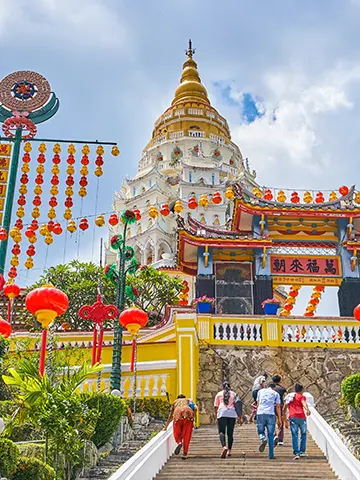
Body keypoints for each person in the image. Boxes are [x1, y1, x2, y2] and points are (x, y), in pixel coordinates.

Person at [214, 381, 243, 458]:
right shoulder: (234, 394)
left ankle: (224, 447)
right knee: (230, 433)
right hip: (232, 414)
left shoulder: (218, 394)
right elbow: (238, 405)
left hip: (222, 413)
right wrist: (240, 417)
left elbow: (216, 406)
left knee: (221, 431)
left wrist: (216, 416)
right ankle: (229, 451)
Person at [163, 394, 197, 460]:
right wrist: (193, 416)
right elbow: (195, 408)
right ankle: (185, 454)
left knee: (177, 432)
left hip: (177, 414)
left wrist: (166, 427)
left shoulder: (175, 402)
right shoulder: (188, 401)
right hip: (188, 413)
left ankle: (179, 442)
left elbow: (170, 416)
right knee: (187, 435)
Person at [284, 384, 311, 460]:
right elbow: (303, 403)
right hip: (301, 417)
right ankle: (302, 451)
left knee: (294, 435)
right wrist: (307, 410)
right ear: (301, 390)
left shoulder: (290, 397)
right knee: (303, 434)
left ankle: (296, 452)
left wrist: (284, 417)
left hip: (292, 417)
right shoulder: (301, 397)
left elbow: (285, 406)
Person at [256, 382, 282, 460]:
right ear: (274, 388)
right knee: (271, 435)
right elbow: (278, 407)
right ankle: (271, 454)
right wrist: (279, 419)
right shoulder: (276, 394)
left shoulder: (260, 391)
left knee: (260, 431)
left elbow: (258, 403)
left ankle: (263, 438)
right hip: (270, 414)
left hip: (261, 413)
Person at [272, 374, 287, 446]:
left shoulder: (270, 388)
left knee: (272, 422)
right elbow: (285, 398)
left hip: (272, 406)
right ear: (280, 380)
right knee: (281, 421)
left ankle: (274, 435)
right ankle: (280, 439)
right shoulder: (282, 389)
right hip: (280, 405)